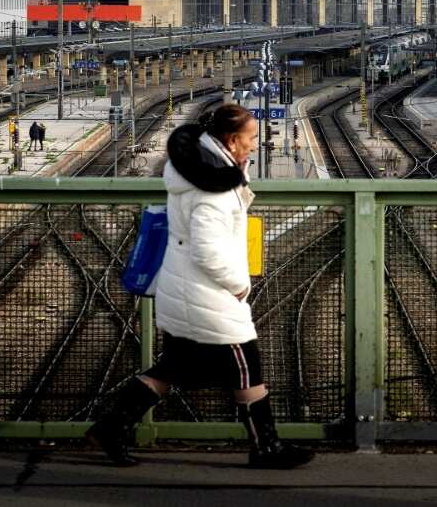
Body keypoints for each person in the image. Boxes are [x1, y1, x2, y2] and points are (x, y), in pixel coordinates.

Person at [86, 103, 313, 470]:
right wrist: (239, 285)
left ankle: (110, 427)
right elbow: (208, 251)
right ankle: (265, 448)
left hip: (185, 289)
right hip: (210, 296)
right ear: (231, 140)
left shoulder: (198, 170)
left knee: (175, 367)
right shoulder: (214, 189)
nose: (255, 145)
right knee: (246, 367)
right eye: (251, 138)